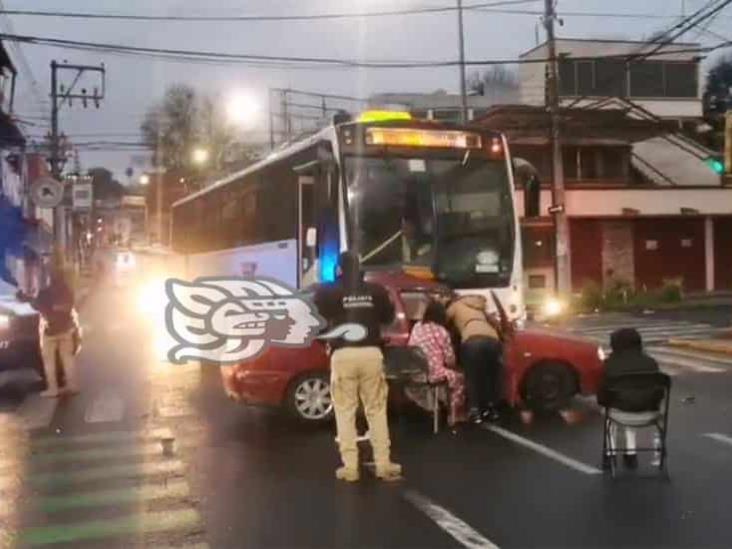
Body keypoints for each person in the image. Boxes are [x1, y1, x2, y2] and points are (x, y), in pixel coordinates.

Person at [313, 251, 402, 482]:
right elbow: (388, 318)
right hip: (372, 353)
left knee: (345, 411)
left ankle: (350, 467)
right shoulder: (376, 290)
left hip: (343, 354)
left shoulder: (328, 291)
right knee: (376, 410)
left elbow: (316, 318)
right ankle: (383, 464)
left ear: (339, 269)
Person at [597, 328, 662, 470]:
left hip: (619, 413)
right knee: (632, 406)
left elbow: (603, 393)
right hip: (648, 414)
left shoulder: (610, 364)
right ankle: (631, 454)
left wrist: (601, 403)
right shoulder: (651, 363)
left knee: (614, 412)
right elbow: (659, 392)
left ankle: (610, 454)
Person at [17, 263, 79, 398]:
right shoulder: (65, 288)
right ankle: (72, 385)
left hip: (49, 331)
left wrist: (25, 297)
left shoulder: (44, 292)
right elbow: (71, 303)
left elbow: (35, 305)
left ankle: (53, 389)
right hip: (66, 328)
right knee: (67, 358)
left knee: (49, 361)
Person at [444, 292, 502, 424]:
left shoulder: (456, 305)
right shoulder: (479, 308)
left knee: (472, 376)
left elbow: (443, 320)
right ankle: (491, 409)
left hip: (472, 340)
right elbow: (495, 323)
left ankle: (474, 411)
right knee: (490, 376)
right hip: (493, 340)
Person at [407, 300, 466, 426]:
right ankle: (454, 415)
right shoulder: (441, 331)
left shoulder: (417, 327)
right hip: (434, 373)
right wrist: (453, 365)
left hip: (415, 372)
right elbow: (450, 359)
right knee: (458, 378)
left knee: (440, 378)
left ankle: (435, 405)